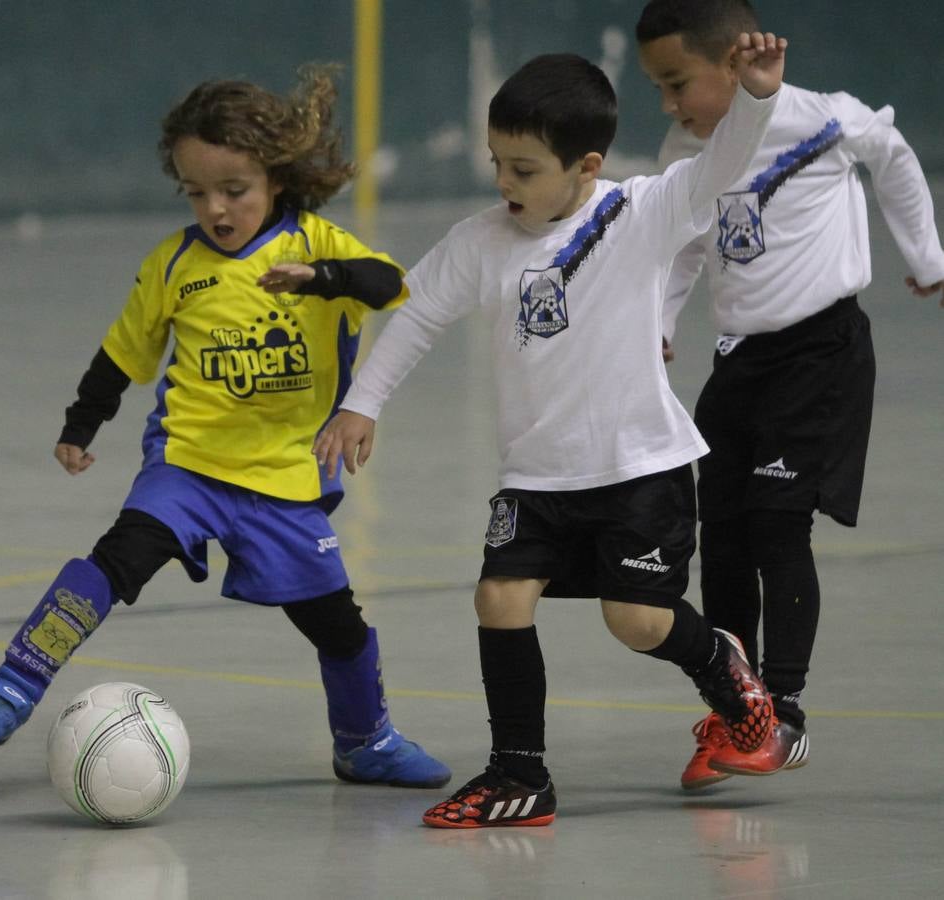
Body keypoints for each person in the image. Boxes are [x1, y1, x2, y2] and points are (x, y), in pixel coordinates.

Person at [313, 38, 788, 828]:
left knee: (635, 620)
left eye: (524, 169)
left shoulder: (641, 212)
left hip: (640, 468)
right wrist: (362, 402)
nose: (504, 183)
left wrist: (757, 99)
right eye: (497, 161)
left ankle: (719, 662)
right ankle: (519, 774)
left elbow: (721, 165)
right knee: (499, 598)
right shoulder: (480, 241)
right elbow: (418, 313)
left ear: (587, 165)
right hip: (537, 478)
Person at [0, 66, 450, 790]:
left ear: (276, 178)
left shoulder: (318, 245)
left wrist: (322, 279)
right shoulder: (175, 264)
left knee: (338, 626)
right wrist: (81, 425)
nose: (215, 208)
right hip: (187, 465)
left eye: (234, 190)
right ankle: (13, 685)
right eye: (195, 192)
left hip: (283, 475)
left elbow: (392, 287)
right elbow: (120, 355)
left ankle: (364, 742)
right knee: (115, 560)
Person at [636, 0, 944, 789]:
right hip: (741, 365)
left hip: (822, 354)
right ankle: (743, 709)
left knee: (779, 528)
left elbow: (896, 155)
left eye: (678, 84)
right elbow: (682, 248)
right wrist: (660, 322)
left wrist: (927, 255)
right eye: (661, 92)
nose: (671, 107)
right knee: (726, 537)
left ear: (735, 63)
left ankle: (789, 713)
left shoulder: (823, 120)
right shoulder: (687, 147)